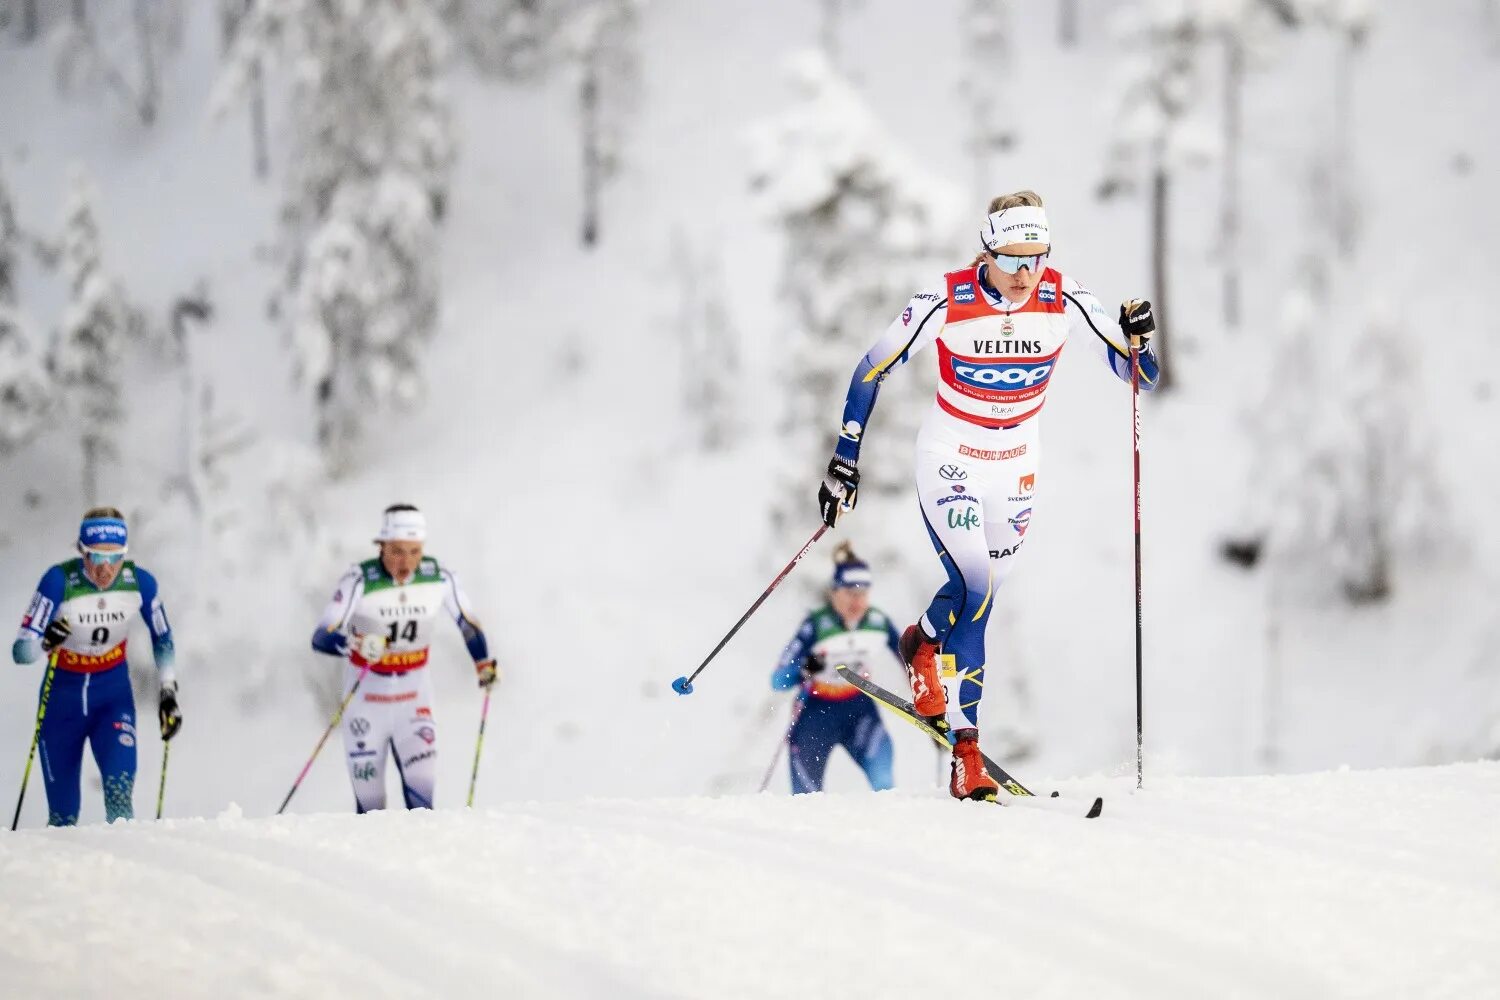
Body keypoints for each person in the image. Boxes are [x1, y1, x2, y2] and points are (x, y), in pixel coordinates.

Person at [816, 190, 1159, 800]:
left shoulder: (1062, 296)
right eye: (1012, 259)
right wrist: (846, 457)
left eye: (1037, 257)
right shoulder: (948, 299)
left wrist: (1137, 344)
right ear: (987, 250)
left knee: (980, 595)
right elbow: (872, 365)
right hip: (951, 456)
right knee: (976, 589)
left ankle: (920, 643)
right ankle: (965, 753)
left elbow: (1139, 375)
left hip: (1017, 465)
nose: (1026, 274)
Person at [311, 504, 497, 812]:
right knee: (370, 807)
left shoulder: (439, 578)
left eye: (414, 552)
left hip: (414, 699)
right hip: (366, 703)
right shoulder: (359, 580)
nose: (406, 563)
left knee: (422, 801)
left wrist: (482, 662)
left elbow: (468, 622)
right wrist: (354, 644)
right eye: (397, 551)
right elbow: (321, 636)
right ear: (381, 546)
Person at [10, 508, 180, 825]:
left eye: (114, 558)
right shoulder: (58, 581)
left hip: (112, 699)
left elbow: (163, 637)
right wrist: (47, 641)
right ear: (81, 552)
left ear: (124, 554)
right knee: (63, 817)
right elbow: (21, 652)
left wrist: (168, 690)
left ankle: (126, 870)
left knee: (119, 796)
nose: (105, 569)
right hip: (62, 701)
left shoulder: (139, 583)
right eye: (95, 558)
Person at [771, 543, 900, 794]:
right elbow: (778, 679)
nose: (857, 600)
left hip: (859, 709)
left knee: (885, 782)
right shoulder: (816, 625)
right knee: (806, 796)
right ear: (834, 593)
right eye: (850, 592)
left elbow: (910, 660)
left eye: (863, 593)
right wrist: (804, 668)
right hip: (816, 714)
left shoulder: (878, 623)